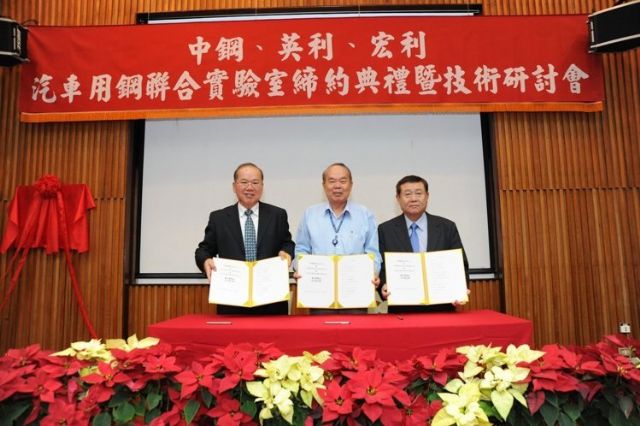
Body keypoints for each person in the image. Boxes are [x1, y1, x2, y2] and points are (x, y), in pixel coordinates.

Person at [195, 163, 295, 315]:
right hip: (231, 301)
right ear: (234, 186)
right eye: (244, 182)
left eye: (255, 182)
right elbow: (203, 250)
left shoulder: (277, 215)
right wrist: (205, 260)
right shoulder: (219, 218)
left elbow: (287, 243)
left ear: (262, 186)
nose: (250, 187)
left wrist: (286, 252)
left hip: (271, 301)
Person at [295, 163, 381, 313]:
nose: (337, 186)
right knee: (320, 335)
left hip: (356, 295)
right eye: (332, 181)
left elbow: (373, 253)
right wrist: (301, 269)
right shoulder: (310, 214)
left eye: (342, 181)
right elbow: (301, 249)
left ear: (351, 184)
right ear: (324, 185)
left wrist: (373, 273)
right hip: (319, 295)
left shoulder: (364, 214)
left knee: (355, 335)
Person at [378, 175, 469, 313]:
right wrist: (383, 286)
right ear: (398, 199)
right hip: (402, 310)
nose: (414, 199)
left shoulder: (446, 227)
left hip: (442, 308)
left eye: (419, 193)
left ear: (427, 196)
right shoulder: (385, 230)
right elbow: (381, 266)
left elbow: (460, 264)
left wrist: (460, 289)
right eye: (407, 194)